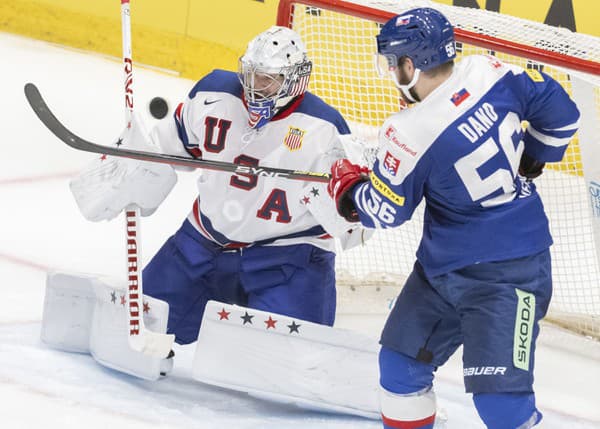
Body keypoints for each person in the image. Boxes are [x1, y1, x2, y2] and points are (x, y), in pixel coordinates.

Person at [328, 8, 580, 429]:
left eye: (393, 64)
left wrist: (350, 191)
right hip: (442, 270)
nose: (390, 73)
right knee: (400, 367)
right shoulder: (491, 71)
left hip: (507, 278)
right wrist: (533, 160)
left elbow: (385, 211)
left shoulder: (408, 132)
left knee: (504, 408)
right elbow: (563, 114)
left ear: (411, 64)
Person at [71, 26, 362, 347]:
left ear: (294, 80)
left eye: (268, 79)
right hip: (203, 243)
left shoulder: (324, 129)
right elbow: (171, 148)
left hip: (286, 259)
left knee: (290, 359)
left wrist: (352, 202)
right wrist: (135, 161)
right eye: (250, 75)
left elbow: (352, 217)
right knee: (134, 329)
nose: (255, 87)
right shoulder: (215, 94)